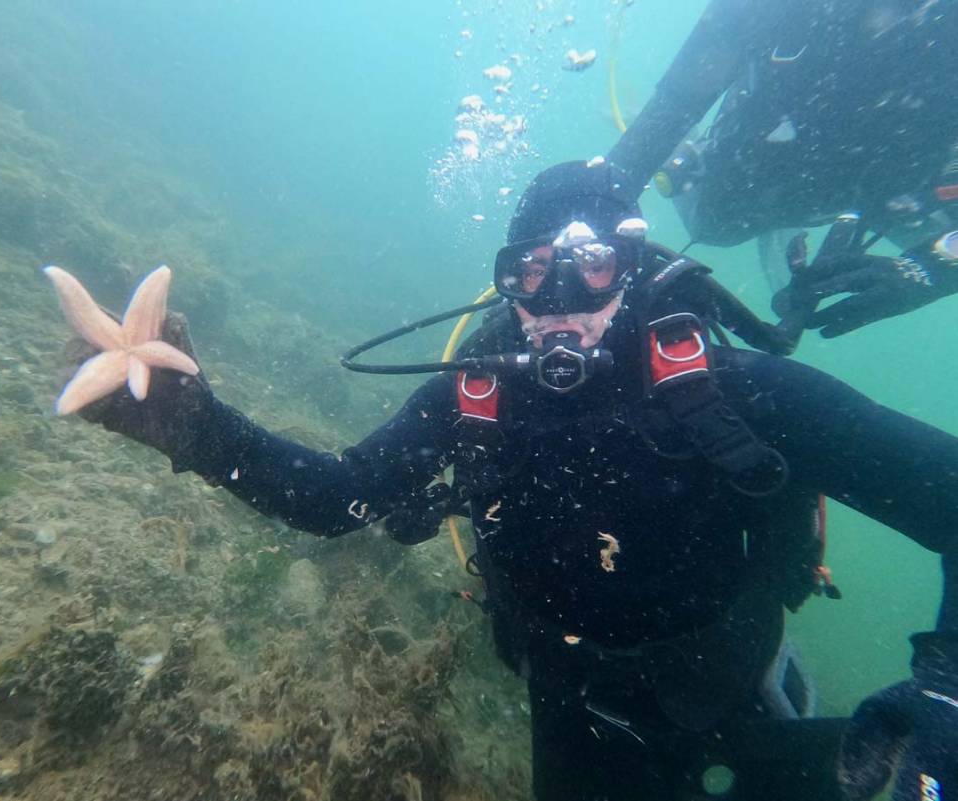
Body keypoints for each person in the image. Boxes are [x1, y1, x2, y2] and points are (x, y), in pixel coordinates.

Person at [73, 161, 958, 801]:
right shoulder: (475, 398)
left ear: (636, 269)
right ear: (508, 282)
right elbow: (333, 497)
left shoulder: (739, 392)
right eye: (531, 270)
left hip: (736, 683)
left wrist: (945, 682)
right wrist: (198, 426)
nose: (561, 296)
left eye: (594, 264)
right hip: (571, 705)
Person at [606, 0, 958, 338]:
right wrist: (598, 212)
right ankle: (688, 156)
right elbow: (676, 104)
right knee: (713, 224)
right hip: (773, 155)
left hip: (906, 186)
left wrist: (934, 267)